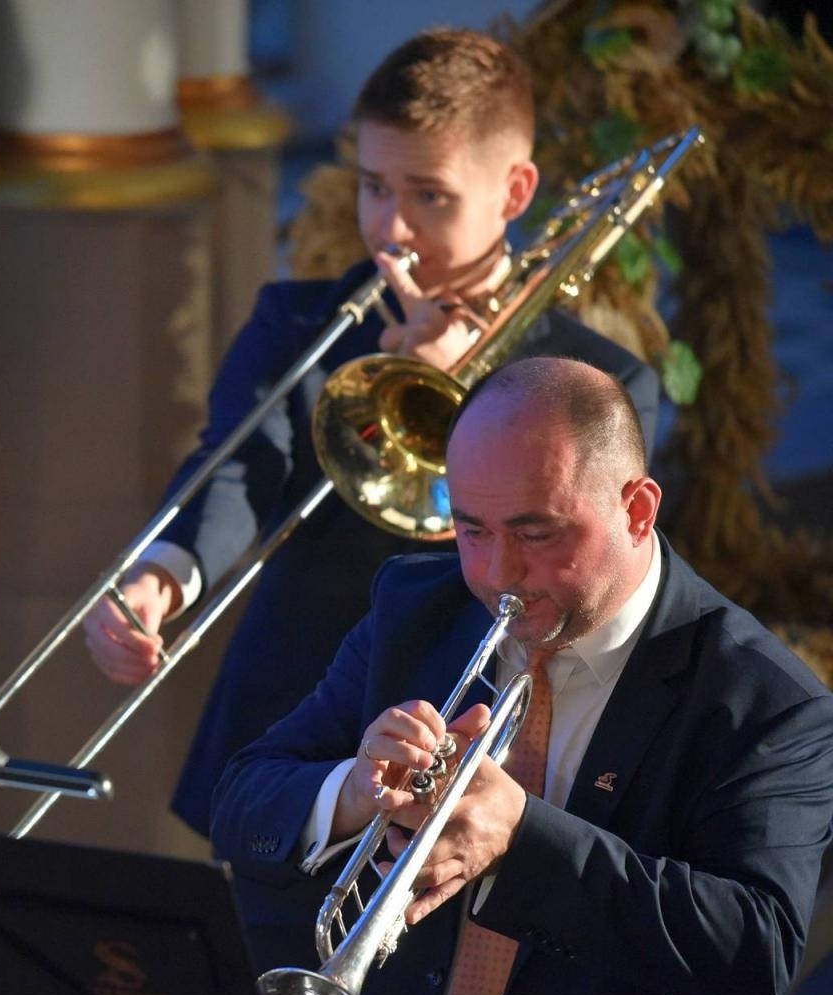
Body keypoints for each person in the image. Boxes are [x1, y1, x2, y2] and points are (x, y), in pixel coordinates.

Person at [81, 28, 663, 837]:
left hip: (468, 743)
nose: (392, 227)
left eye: (429, 195)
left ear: (516, 190)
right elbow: (236, 468)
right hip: (292, 728)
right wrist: (164, 575)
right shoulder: (300, 323)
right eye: (373, 187)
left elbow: (577, 580)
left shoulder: (602, 384)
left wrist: (471, 399)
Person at [212, 357, 833, 995]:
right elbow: (241, 799)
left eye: (536, 534)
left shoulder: (765, 699)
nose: (496, 574)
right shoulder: (417, 607)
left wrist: (519, 837)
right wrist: (353, 791)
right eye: (471, 529)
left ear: (636, 511)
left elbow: (757, 951)